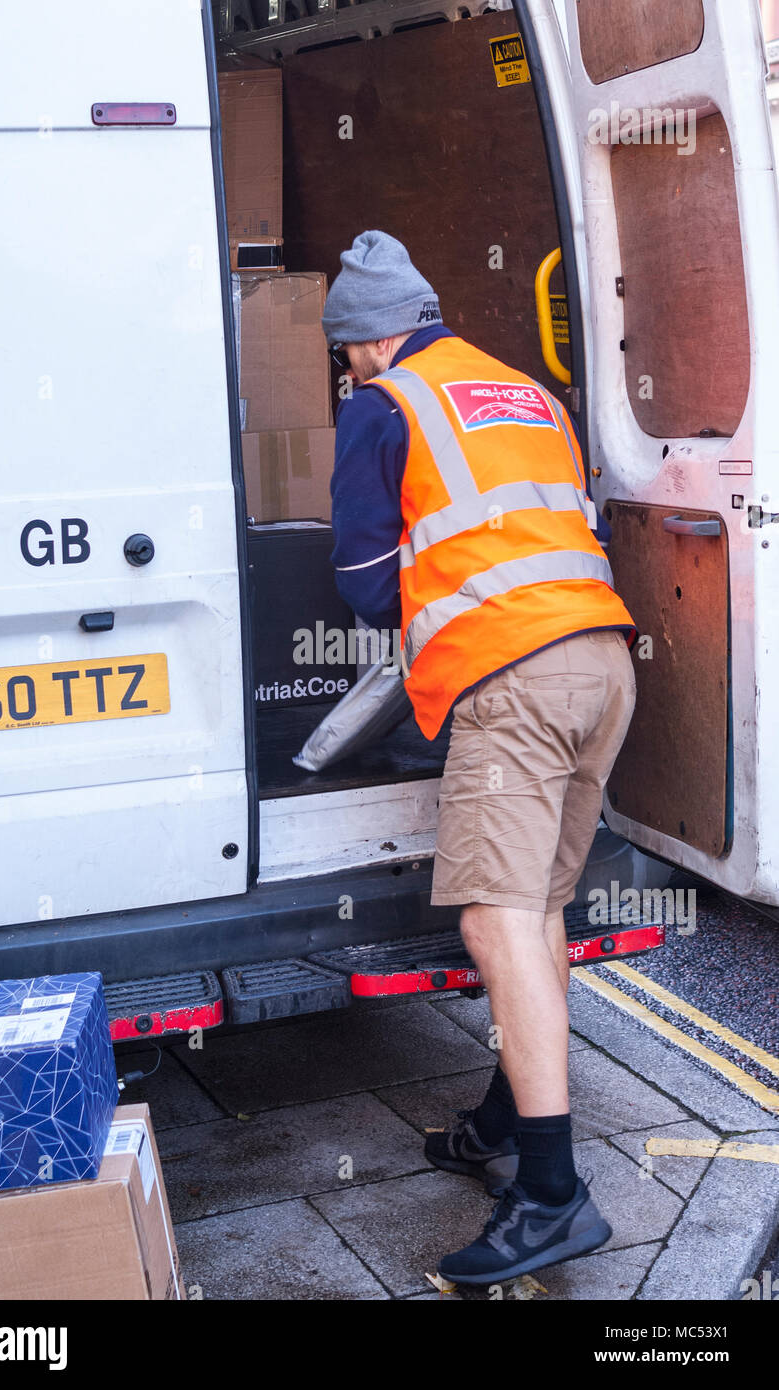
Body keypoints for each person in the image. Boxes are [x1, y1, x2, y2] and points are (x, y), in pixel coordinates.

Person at [321, 230, 638, 1286]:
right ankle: (506, 1118)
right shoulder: (517, 387)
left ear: (367, 341)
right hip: (601, 661)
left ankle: (549, 1194)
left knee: (490, 918)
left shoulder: (380, 407)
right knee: (536, 910)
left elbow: (367, 585)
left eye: (345, 351)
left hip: (513, 681)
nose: (347, 367)